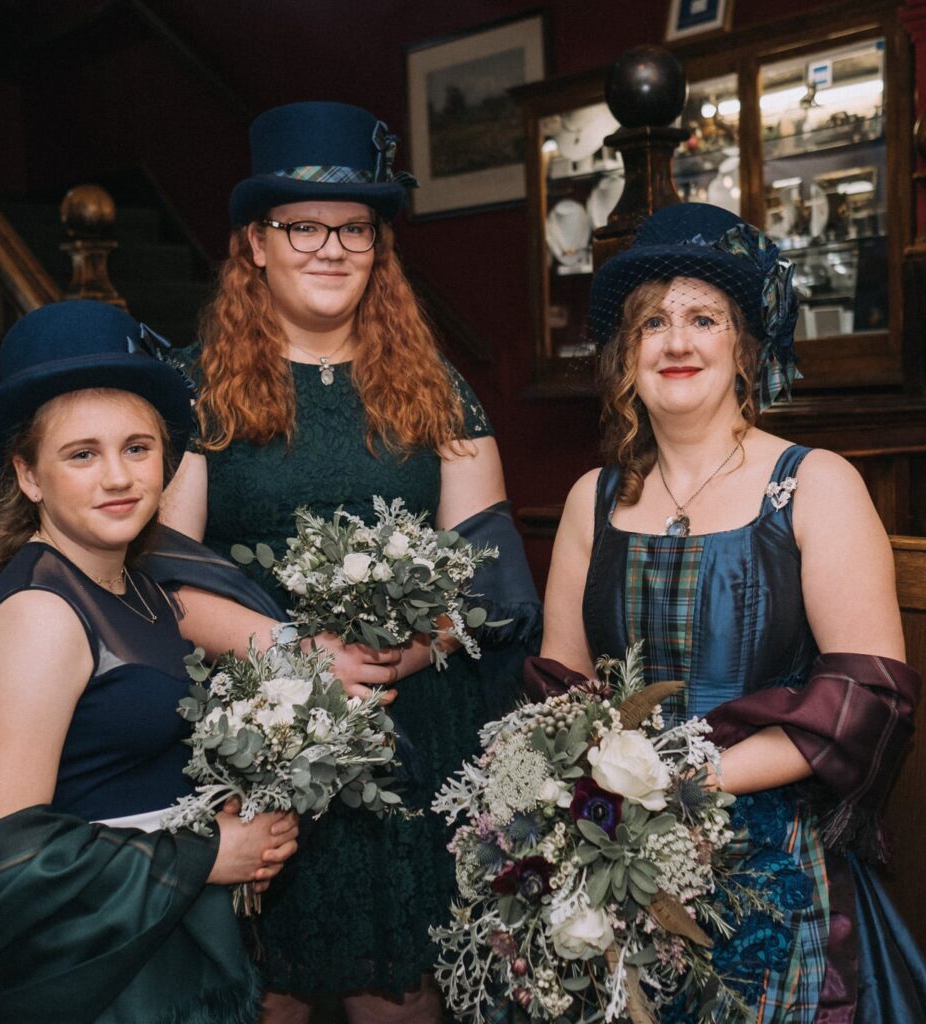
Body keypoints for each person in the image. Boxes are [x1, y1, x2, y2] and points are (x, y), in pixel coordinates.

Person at [147, 102, 540, 1023]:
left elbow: (490, 574)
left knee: (399, 999)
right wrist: (298, 655)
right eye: (303, 225)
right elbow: (160, 577)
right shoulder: (190, 387)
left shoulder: (435, 384)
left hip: (411, 734)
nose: (331, 246)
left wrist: (405, 653)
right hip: (258, 742)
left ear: (378, 245)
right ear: (255, 243)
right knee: (267, 996)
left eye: (356, 228)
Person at [536, 203, 926, 1021]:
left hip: (770, 852)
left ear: (745, 347)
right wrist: (603, 807)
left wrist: (689, 779)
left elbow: (866, 697)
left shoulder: (814, 483)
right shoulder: (592, 499)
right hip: (615, 846)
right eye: (652, 322)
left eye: (703, 318)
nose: (677, 341)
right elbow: (561, 687)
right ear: (628, 354)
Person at [0, 300, 299, 1024]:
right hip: (104, 983)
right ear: (29, 476)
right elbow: (1, 869)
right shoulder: (43, 616)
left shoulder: (133, 583)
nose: (118, 476)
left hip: (162, 949)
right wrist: (205, 852)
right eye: (81, 453)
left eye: (138, 447)